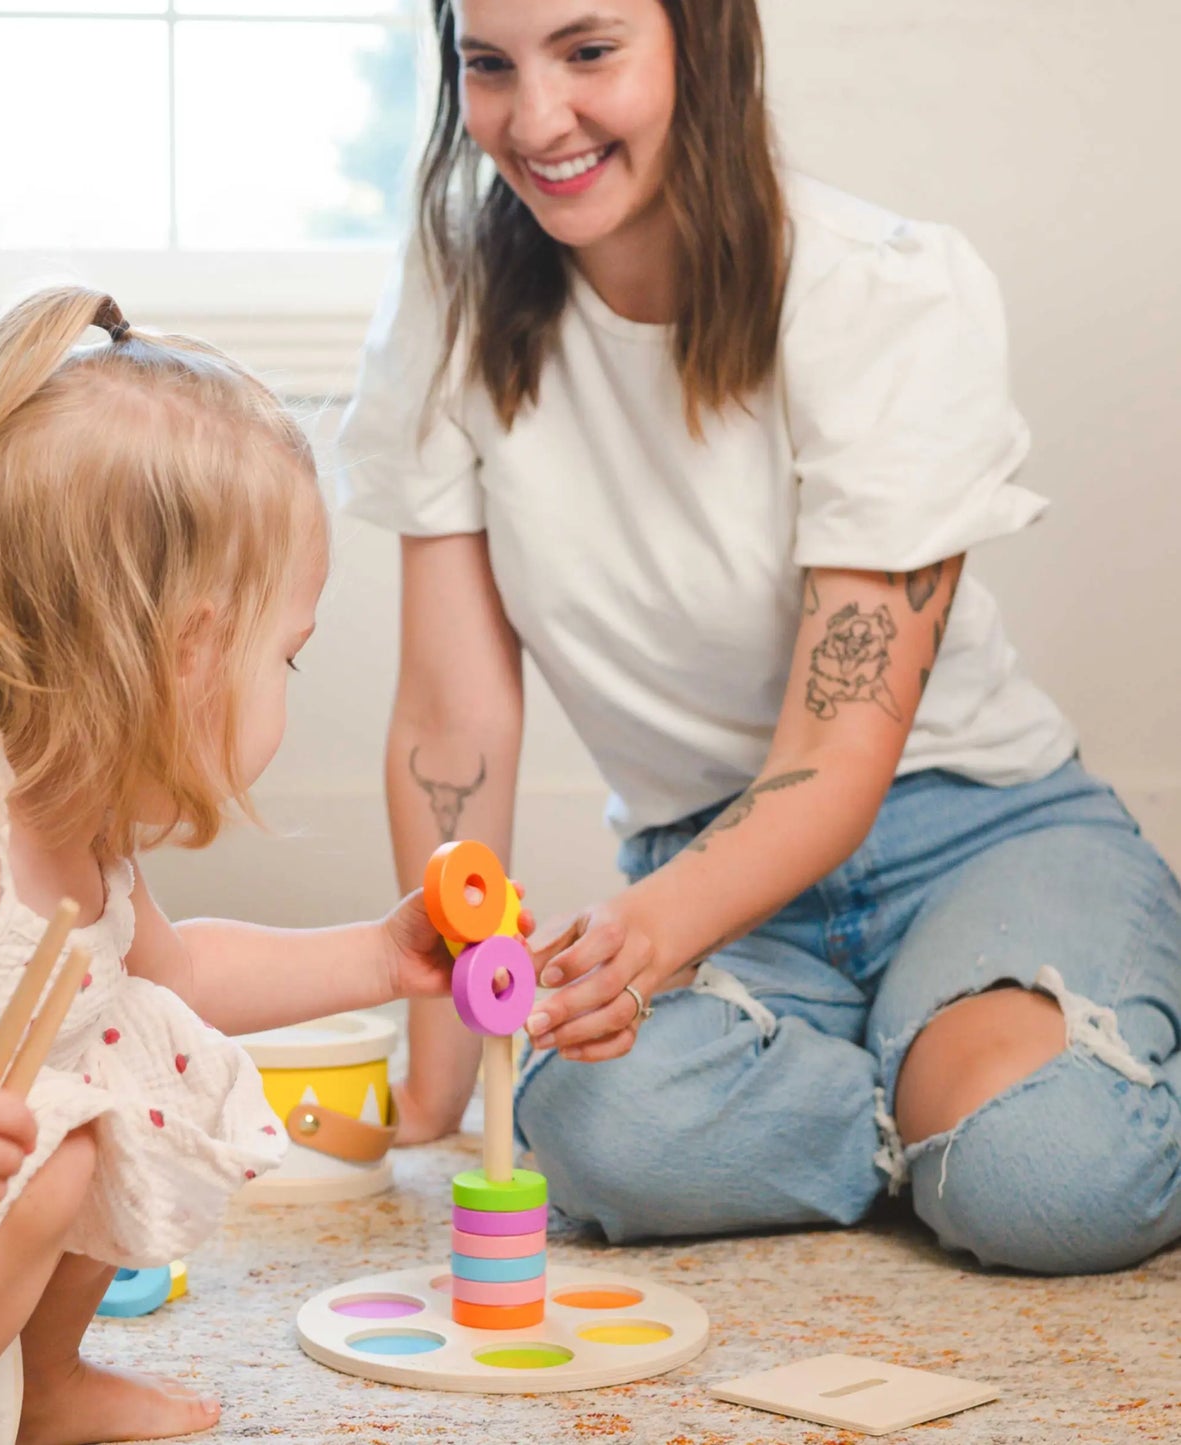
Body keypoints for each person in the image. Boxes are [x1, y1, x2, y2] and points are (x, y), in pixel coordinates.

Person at [337, 0, 1181, 1275]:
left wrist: (649, 937)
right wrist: (444, 1067)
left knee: (1045, 1174)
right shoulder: (449, 296)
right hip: (712, 870)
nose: (533, 118)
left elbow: (835, 756)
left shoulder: (880, 289)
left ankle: (973, 1100)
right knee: (579, 1124)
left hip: (971, 824)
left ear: (700, 42)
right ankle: (926, 1101)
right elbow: (451, 723)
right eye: (487, 66)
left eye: (587, 51)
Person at [0, 286, 462, 1444]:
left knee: (133, 1051)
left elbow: (177, 977)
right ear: (187, 653)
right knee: (61, 1140)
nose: (289, 684)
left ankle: (42, 1382)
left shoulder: (79, 825)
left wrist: (379, 954)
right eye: (288, 655)